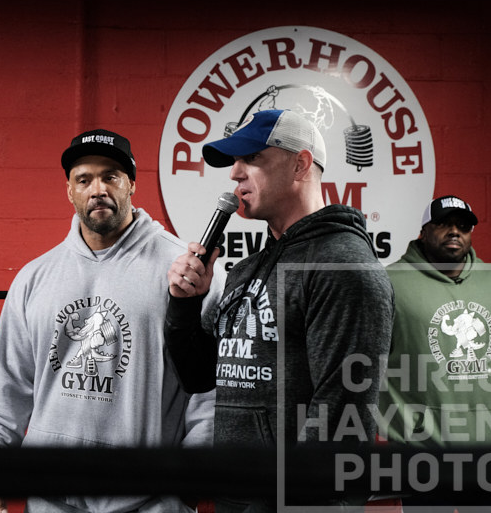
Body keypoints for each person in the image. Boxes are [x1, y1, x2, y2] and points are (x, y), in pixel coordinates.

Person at [0, 129, 221, 513]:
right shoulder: (35, 277)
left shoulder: (183, 272)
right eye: (84, 180)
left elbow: (211, 388)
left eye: (110, 177)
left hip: (148, 499)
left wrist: (192, 474)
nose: (97, 189)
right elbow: (10, 383)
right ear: (69, 191)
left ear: (131, 184)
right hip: (49, 496)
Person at [165, 109, 394, 512]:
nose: (235, 173)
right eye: (235, 162)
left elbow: (342, 418)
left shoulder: (343, 267)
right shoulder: (246, 270)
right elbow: (199, 376)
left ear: (300, 164)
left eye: (252, 158)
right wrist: (185, 305)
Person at [379, 195, 491, 512]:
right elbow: (356, 360)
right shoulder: (389, 283)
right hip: (422, 455)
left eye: (462, 225)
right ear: (423, 232)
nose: (454, 231)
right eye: (444, 224)